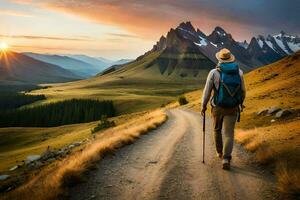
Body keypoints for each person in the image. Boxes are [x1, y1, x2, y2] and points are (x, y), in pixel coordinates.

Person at [201, 48, 246, 170]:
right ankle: (226, 159)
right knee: (229, 134)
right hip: (233, 108)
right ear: (231, 58)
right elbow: (243, 91)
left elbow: (207, 91)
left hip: (218, 107)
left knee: (217, 130)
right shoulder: (239, 72)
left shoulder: (213, 72)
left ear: (219, 59)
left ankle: (220, 153)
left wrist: (203, 105)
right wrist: (240, 103)